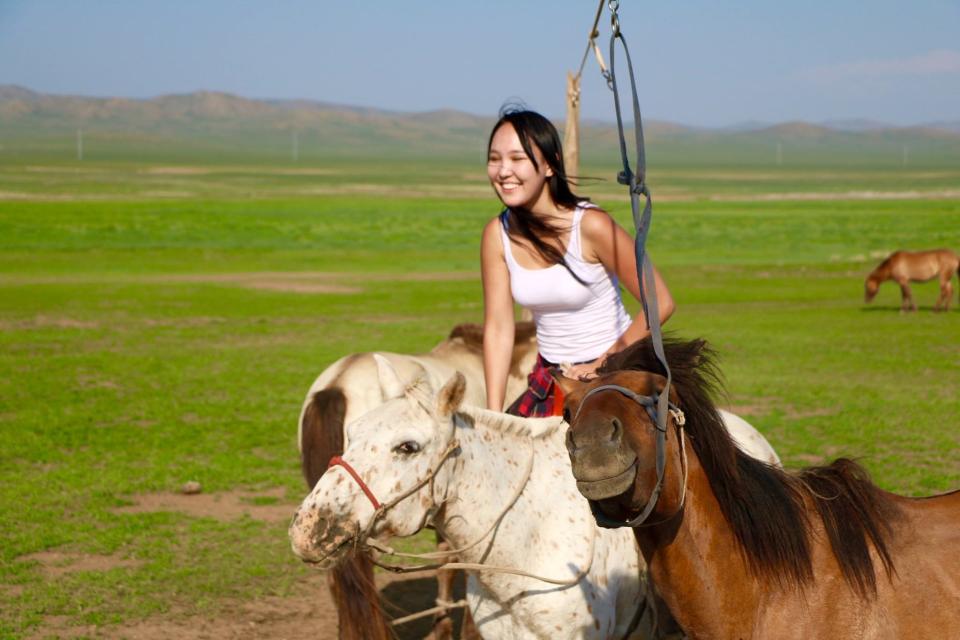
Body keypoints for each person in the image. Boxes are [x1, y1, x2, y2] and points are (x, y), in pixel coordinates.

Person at [481, 108, 674, 417]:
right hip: (553, 377)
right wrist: (492, 415)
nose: (503, 171)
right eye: (494, 159)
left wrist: (601, 364)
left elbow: (660, 302)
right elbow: (499, 328)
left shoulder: (591, 225)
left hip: (619, 367)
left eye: (517, 159)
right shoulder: (497, 234)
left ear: (549, 164)